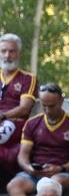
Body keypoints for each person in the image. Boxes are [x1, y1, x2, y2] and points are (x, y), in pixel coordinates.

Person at [8, 83, 69, 196]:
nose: (48, 110)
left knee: (52, 185)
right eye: (44, 106)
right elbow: (22, 155)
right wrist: (29, 168)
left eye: (51, 106)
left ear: (61, 101)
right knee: (13, 187)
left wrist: (60, 168)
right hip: (35, 174)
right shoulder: (32, 123)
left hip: (63, 174)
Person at [0, 33, 37, 178]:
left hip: (14, 123)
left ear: (18, 53)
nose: (7, 55)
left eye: (12, 51)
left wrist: (3, 115)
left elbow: (25, 108)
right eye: (3, 51)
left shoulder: (28, 78)